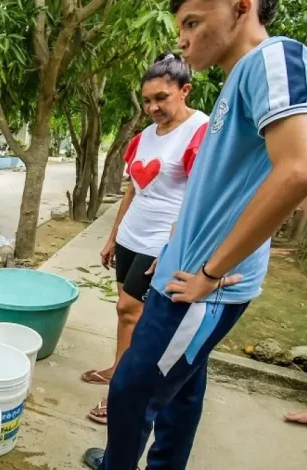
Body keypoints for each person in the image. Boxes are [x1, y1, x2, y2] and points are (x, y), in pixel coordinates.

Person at [84, 0, 307, 468]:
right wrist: (170, 250)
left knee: (130, 392)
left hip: (200, 290)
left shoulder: (274, 58)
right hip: (181, 270)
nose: (182, 40)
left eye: (192, 23)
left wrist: (210, 272)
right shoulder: (238, 80)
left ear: (241, 7)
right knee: (181, 393)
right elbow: (212, 197)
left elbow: (297, 171)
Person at [82, 53, 209, 425]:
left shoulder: (199, 130)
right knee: (125, 313)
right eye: (148, 100)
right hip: (132, 235)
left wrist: (174, 249)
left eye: (162, 98)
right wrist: (112, 236)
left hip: (162, 241)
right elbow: (132, 191)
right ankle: (118, 371)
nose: (153, 107)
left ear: (184, 91)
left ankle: (122, 394)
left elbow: (199, 195)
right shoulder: (142, 139)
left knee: (130, 311)